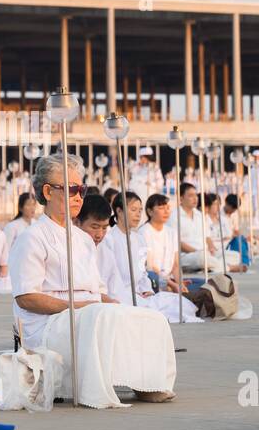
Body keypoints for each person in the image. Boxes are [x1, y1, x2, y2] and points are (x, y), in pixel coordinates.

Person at [9, 153, 177, 407]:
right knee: (101, 315)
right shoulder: (32, 237)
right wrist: (78, 307)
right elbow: (26, 298)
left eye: (82, 189)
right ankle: (99, 388)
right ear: (48, 191)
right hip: (49, 323)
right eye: (73, 189)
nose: (79, 196)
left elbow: (98, 291)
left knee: (150, 317)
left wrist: (119, 307)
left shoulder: (83, 239)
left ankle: (147, 382)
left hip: (89, 312)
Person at [102, 192, 201, 322]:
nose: (138, 214)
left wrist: (147, 290)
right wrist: (132, 294)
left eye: (140, 210)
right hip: (122, 295)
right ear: (119, 211)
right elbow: (111, 277)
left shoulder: (139, 238)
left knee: (180, 304)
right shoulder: (109, 239)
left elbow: (142, 271)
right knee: (159, 313)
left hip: (141, 293)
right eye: (133, 210)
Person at [141, 193, 183, 294]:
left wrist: (181, 284)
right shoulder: (144, 232)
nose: (166, 211)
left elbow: (176, 265)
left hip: (169, 280)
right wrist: (171, 284)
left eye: (168, 208)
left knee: (200, 284)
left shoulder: (172, 232)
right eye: (161, 208)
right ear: (150, 211)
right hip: (152, 279)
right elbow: (149, 266)